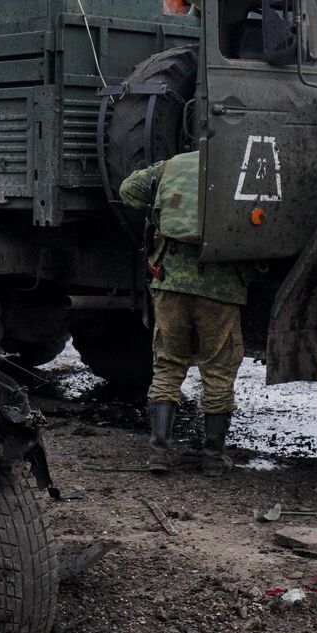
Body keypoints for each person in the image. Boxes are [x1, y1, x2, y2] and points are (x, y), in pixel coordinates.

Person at [118, 150, 250, 473]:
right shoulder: (239, 167)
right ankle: (213, 459)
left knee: (168, 365)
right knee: (218, 370)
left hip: (170, 283)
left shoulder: (171, 166)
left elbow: (127, 191)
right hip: (220, 288)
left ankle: (159, 454)